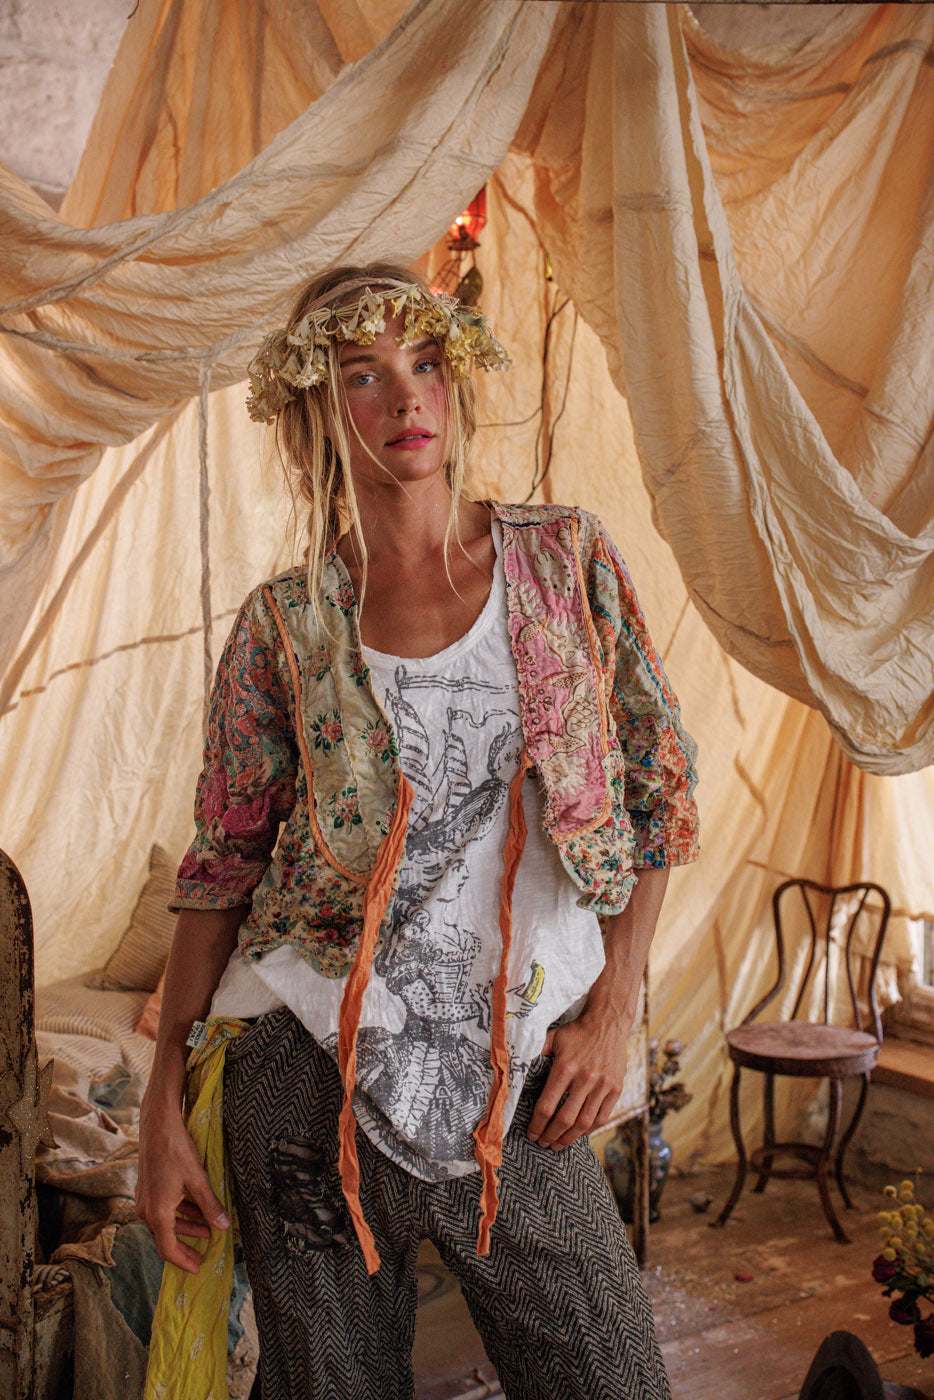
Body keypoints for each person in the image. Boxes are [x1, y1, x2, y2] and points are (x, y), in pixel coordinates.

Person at [137, 261, 699, 1400]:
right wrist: (160, 1099)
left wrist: (614, 1009)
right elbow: (223, 865)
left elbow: (663, 792)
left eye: (427, 362)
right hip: (302, 1082)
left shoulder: (564, 562)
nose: (406, 397)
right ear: (316, 403)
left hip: (525, 1087)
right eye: (364, 373)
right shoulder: (284, 625)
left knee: (614, 1381)